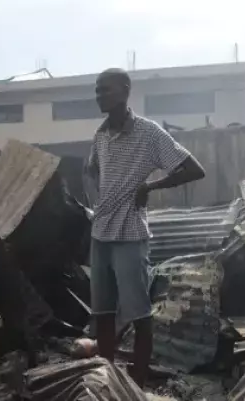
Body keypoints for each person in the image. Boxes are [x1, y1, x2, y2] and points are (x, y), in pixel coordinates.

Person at [84, 68, 205, 385]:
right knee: (103, 312)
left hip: (130, 234)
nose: (100, 96)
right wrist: (97, 201)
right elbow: (91, 170)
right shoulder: (100, 135)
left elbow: (193, 169)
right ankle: (108, 376)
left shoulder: (149, 134)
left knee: (138, 311)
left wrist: (150, 187)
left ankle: (138, 376)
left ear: (125, 91)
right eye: (97, 91)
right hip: (101, 234)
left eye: (106, 90)